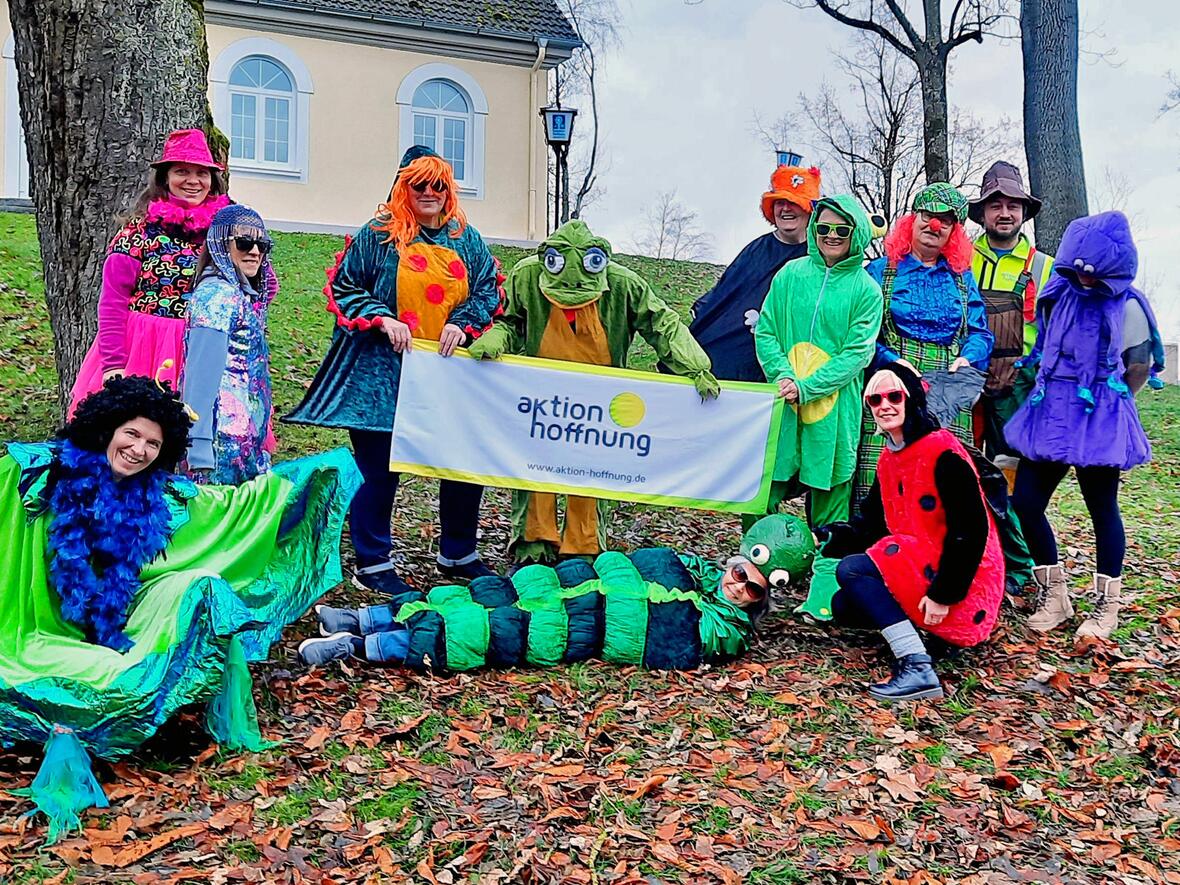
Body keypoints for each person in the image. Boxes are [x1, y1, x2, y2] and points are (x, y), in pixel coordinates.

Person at [0, 376, 361, 840]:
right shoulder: (39, 477)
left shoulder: (159, 498)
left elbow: (232, 508)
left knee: (201, 586)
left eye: (153, 443)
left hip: (117, 622)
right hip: (30, 628)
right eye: (131, 433)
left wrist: (307, 478)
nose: (139, 449)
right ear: (107, 428)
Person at [285, 146, 503, 591]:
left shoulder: (466, 237)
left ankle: (459, 552)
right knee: (380, 467)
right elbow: (345, 286)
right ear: (405, 186)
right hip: (382, 376)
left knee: (460, 460)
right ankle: (373, 562)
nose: (429, 193)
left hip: (447, 376)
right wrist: (382, 318)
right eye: (419, 185)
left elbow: (487, 291)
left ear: (448, 190)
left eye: (438, 185)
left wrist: (463, 324)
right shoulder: (379, 234)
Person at [467, 219, 719, 565]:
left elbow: (662, 324)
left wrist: (695, 366)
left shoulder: (624, 284)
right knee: (535, 466)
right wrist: (495, 339)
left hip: (598, 404)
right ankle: (532, 546)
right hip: (541, 399)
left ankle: (582, 548)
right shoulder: (526, 276)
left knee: (589, 471)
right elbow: (510, 320)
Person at [296, 513, 815, 672]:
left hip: (578, 627)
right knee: (480, 592)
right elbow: (678, 568)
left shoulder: (727, 629)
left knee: (485, 630)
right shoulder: (696, 570)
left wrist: (706, 599)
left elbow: (693, 630)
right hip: (567, 586)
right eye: (738, 571)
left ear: (762, 599)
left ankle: (360, 649)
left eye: (751, 588)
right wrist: (697, 577)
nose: (737, 585)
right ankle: (365, 617)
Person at [1006, 211, 1165, 640]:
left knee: (1101, 507)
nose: (1086, 278)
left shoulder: (1128, 305)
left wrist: (1114, 404)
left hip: (1099, 416)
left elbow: (1138, 365)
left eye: (1094, 272)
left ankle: (1106, 604)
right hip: (1053, 411)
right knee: (1025, 502)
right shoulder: (1060, 294)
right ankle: (1054, 593)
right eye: (1078, 269)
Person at [817, 364, 1005, 702]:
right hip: (923, 560)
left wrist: (944, 594)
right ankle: (928, 638)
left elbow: (971, 531)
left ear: (911, 399)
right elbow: (871, 525)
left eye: (893, 396)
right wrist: (826, 537)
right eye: (875, 399)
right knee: (846, 604)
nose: (884, 405)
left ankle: (917, 665)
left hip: (964, 580)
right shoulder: (890, 459)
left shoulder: (942, 452)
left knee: (854, 570)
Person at [69, 129, 232, 412]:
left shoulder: (225, 232)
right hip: (144, 351)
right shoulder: (137, 232)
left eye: (202, 173)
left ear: (212, 180)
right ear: (165, 178)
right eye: (182, 171)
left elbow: (258, 289)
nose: (193, 181)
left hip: (207, 349)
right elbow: (112, 301)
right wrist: (113, 364)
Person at [854, 184, 994, 509]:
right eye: (928, 216)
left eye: (945, 221)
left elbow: (980, 333)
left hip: (946, 387)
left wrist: (967, 358)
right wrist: (892, 363)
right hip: (891, 385)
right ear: (912, 221)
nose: (935, 225)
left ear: (953, 233)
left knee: (945, 484)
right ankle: (874, 552)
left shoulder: (962, 278)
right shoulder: (880, 271)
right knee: (880, 478)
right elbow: (862, 336)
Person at [752, 195, 882, 530]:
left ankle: (826, 572)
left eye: (842, 229)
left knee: (831, 506)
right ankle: (756, 566)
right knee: (760, 490)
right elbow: (766, 331)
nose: (832, 235)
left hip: (836, 410)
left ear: (857, 234)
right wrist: (783, 376)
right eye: (823, 227)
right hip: (783, 403)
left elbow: (858, 354)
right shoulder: (790, 275)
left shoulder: (866, 290)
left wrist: (807, 388)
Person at [688, 162, 822, 381]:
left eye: (793, 202)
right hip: (737, 357)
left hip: (794, 364)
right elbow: (726, 296)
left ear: (809, 209)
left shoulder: (820, 255)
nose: (785, 209)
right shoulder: (756, 250)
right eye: (779, 202)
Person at [968, 162, 1054, 482]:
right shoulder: (960, 260)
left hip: (1021, 390)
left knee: (1012, 480)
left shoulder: (1047, 267)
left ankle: (1012, 531)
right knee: (964, 472)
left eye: (1012, 205)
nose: (1004, 212)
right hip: (967, 383)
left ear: (1023, 212)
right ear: (982, 213)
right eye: (995, 205)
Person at [181, 204, 278, 484]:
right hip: (219, 443)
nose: (255, 251)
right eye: (245, 242)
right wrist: (198, 448)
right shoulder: (217, 296)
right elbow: (200, 376)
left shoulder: (237, 294)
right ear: (221, 246)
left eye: (263, 244)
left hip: (243, 438)